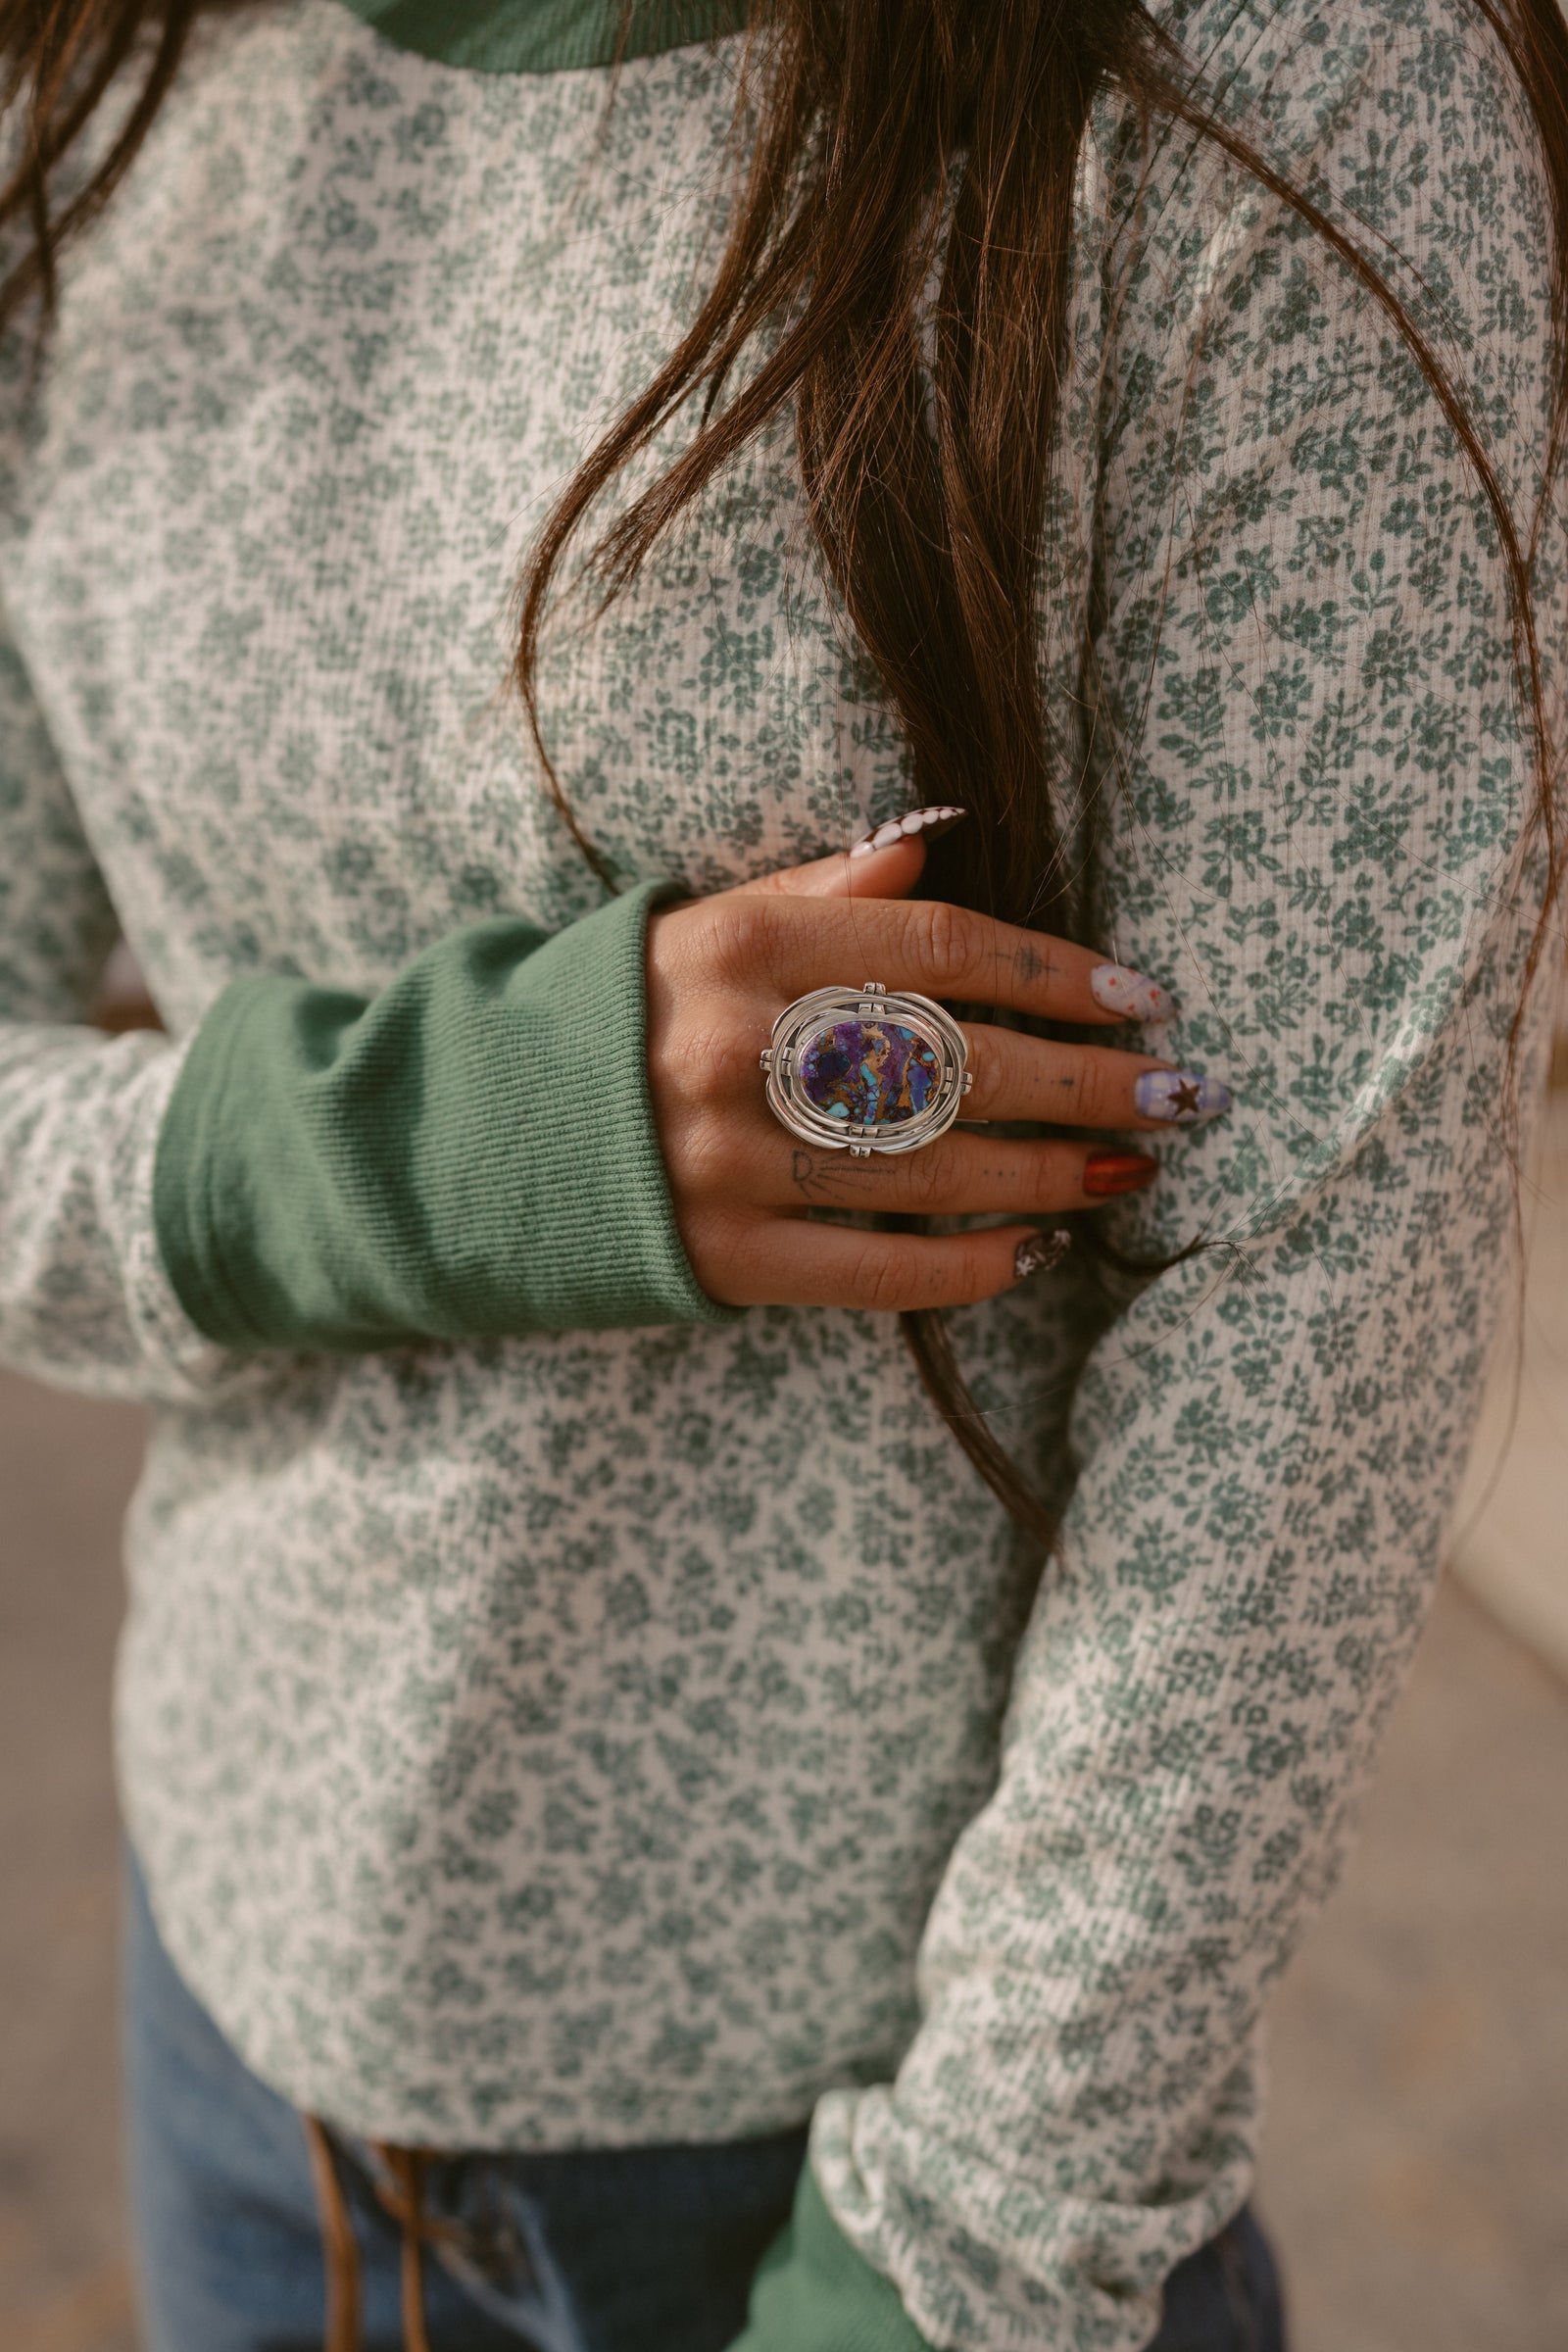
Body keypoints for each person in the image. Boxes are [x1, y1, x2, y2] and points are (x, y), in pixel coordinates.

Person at [0, 0, 1563, 2345]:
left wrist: (945, 2274)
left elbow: (1310, 1309)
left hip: (855, 2164)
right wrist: (469, 1140)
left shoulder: (1279, 80)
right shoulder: (95, 76)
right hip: (241, 2027)